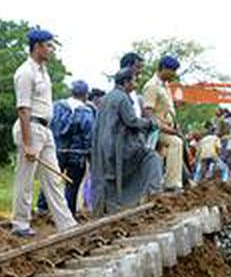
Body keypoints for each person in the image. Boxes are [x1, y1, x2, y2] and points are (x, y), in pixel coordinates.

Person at [11, 30, 77, 238]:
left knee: (54, 177)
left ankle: (66, 223)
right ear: (37, 46)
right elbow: (23, 108)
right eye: (48, 45)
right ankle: (20, 223)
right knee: (26, 178)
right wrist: (28, 142)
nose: (51, 50)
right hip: (30, 127)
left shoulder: (43, 71)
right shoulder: (25, 72)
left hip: (45, 129)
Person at [90, 69, 159, 215]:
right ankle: (154, 194)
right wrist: (150, 123)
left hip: (103, 147)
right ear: (126, 82)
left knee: (108, 181)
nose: (135, 84)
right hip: (119, 147)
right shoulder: (122, 98)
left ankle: (106, 209)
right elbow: (132, 121)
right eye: (134, 80)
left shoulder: (107, 98)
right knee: (151, 157)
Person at [48, 80, 96, 215]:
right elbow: (89, 135)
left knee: (52, 181)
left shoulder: (57, 106)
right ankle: (68, 213)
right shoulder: (87, 112)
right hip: (77, 154)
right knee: (72, 185)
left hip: (57, 150)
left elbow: (50, 125)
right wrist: (90, 154)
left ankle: (44, 209)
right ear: (86, 95)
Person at [140, 56, 185, 191]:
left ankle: (157, 183)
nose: (175, 74)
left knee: (162, 155)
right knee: (176, 142)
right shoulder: (152, 86)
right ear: (164, 68)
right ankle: (172, 184)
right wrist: (166, 129)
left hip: (167, 128)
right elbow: (148, 113)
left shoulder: (165, 86)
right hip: (156, 130)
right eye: (173, 71)